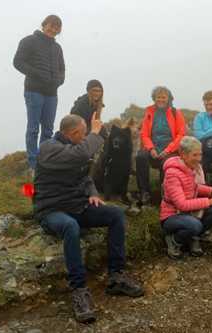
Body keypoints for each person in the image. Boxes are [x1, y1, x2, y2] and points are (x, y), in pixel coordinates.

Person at [33, 113, 144, 323]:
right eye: (84, 134)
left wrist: (93, 193)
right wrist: (95, 132)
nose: (86, 138)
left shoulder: (75, 149)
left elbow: (85, 177)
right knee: (70, 226)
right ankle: (80, 291)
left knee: (115, 214)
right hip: (51, 211)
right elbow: (81, 155)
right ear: (74, 133)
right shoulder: (49, 148)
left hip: (77, 206)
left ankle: (117, 276)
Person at [14, 15, 66, 174]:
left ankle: (43, 161)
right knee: (33, 128)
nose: (54, 30)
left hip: (52, 93)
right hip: (34, 91)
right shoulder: (30, 41)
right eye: (52, 26)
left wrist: (59, 80)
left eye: (57, 28)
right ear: (44, 25)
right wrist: (37, 74)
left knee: (48, 130)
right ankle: (33, 165)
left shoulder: (57, 48)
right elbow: (18, 61)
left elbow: (62, 68)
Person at [161, 136, 212, 259]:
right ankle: (175, 241)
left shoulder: (189, 168)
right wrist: (208, 201)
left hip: (188, 213)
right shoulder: (173, 173)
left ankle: (194, 238)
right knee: (195, 225)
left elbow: (194, 187)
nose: (198, 159)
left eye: (200, 154)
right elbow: (182, 205)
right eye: (195, 155)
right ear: (184, 154)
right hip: (172, 215)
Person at [136, 86, 186, 205]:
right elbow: (144, 134)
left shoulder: (175, 113)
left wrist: (168, 150)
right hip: (153, 148)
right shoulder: (150, 114)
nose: (161, 99)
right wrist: (151, 149)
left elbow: (181, 135)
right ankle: (145, 191)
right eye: (158, 97)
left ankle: (165, 194)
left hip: (171, 150)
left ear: (168, 98)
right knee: (140, 158)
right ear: (154, 98)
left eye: (164, 97)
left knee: (166, 163)